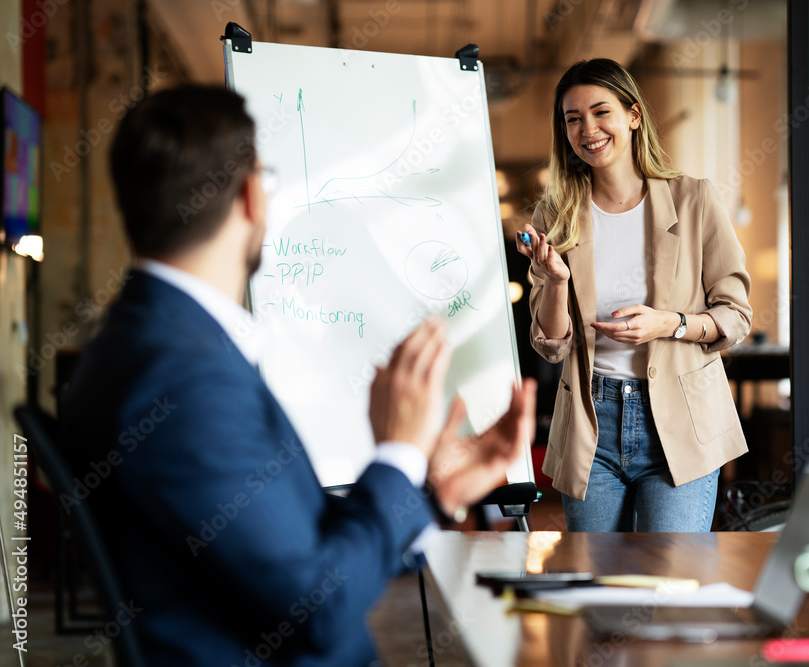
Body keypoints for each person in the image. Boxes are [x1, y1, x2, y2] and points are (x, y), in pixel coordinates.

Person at [60, 85, 536, 666]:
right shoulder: (182, 378)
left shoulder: (157, 342)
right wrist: (399, 453)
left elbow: (290, 543)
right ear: (251, 197)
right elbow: (318, 606)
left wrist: (432, 490)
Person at [516, 59, 751, 533]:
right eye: (573, 119)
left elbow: (736, 315)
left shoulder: (695, 200)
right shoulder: (555, 216)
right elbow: (550, 344)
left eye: (601, 112)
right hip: (591, 422)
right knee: (598, 590)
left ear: (634, 116)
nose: (589, 129)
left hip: (680, 419)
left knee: (672, 584)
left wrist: (669, 323)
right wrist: (558, 282)